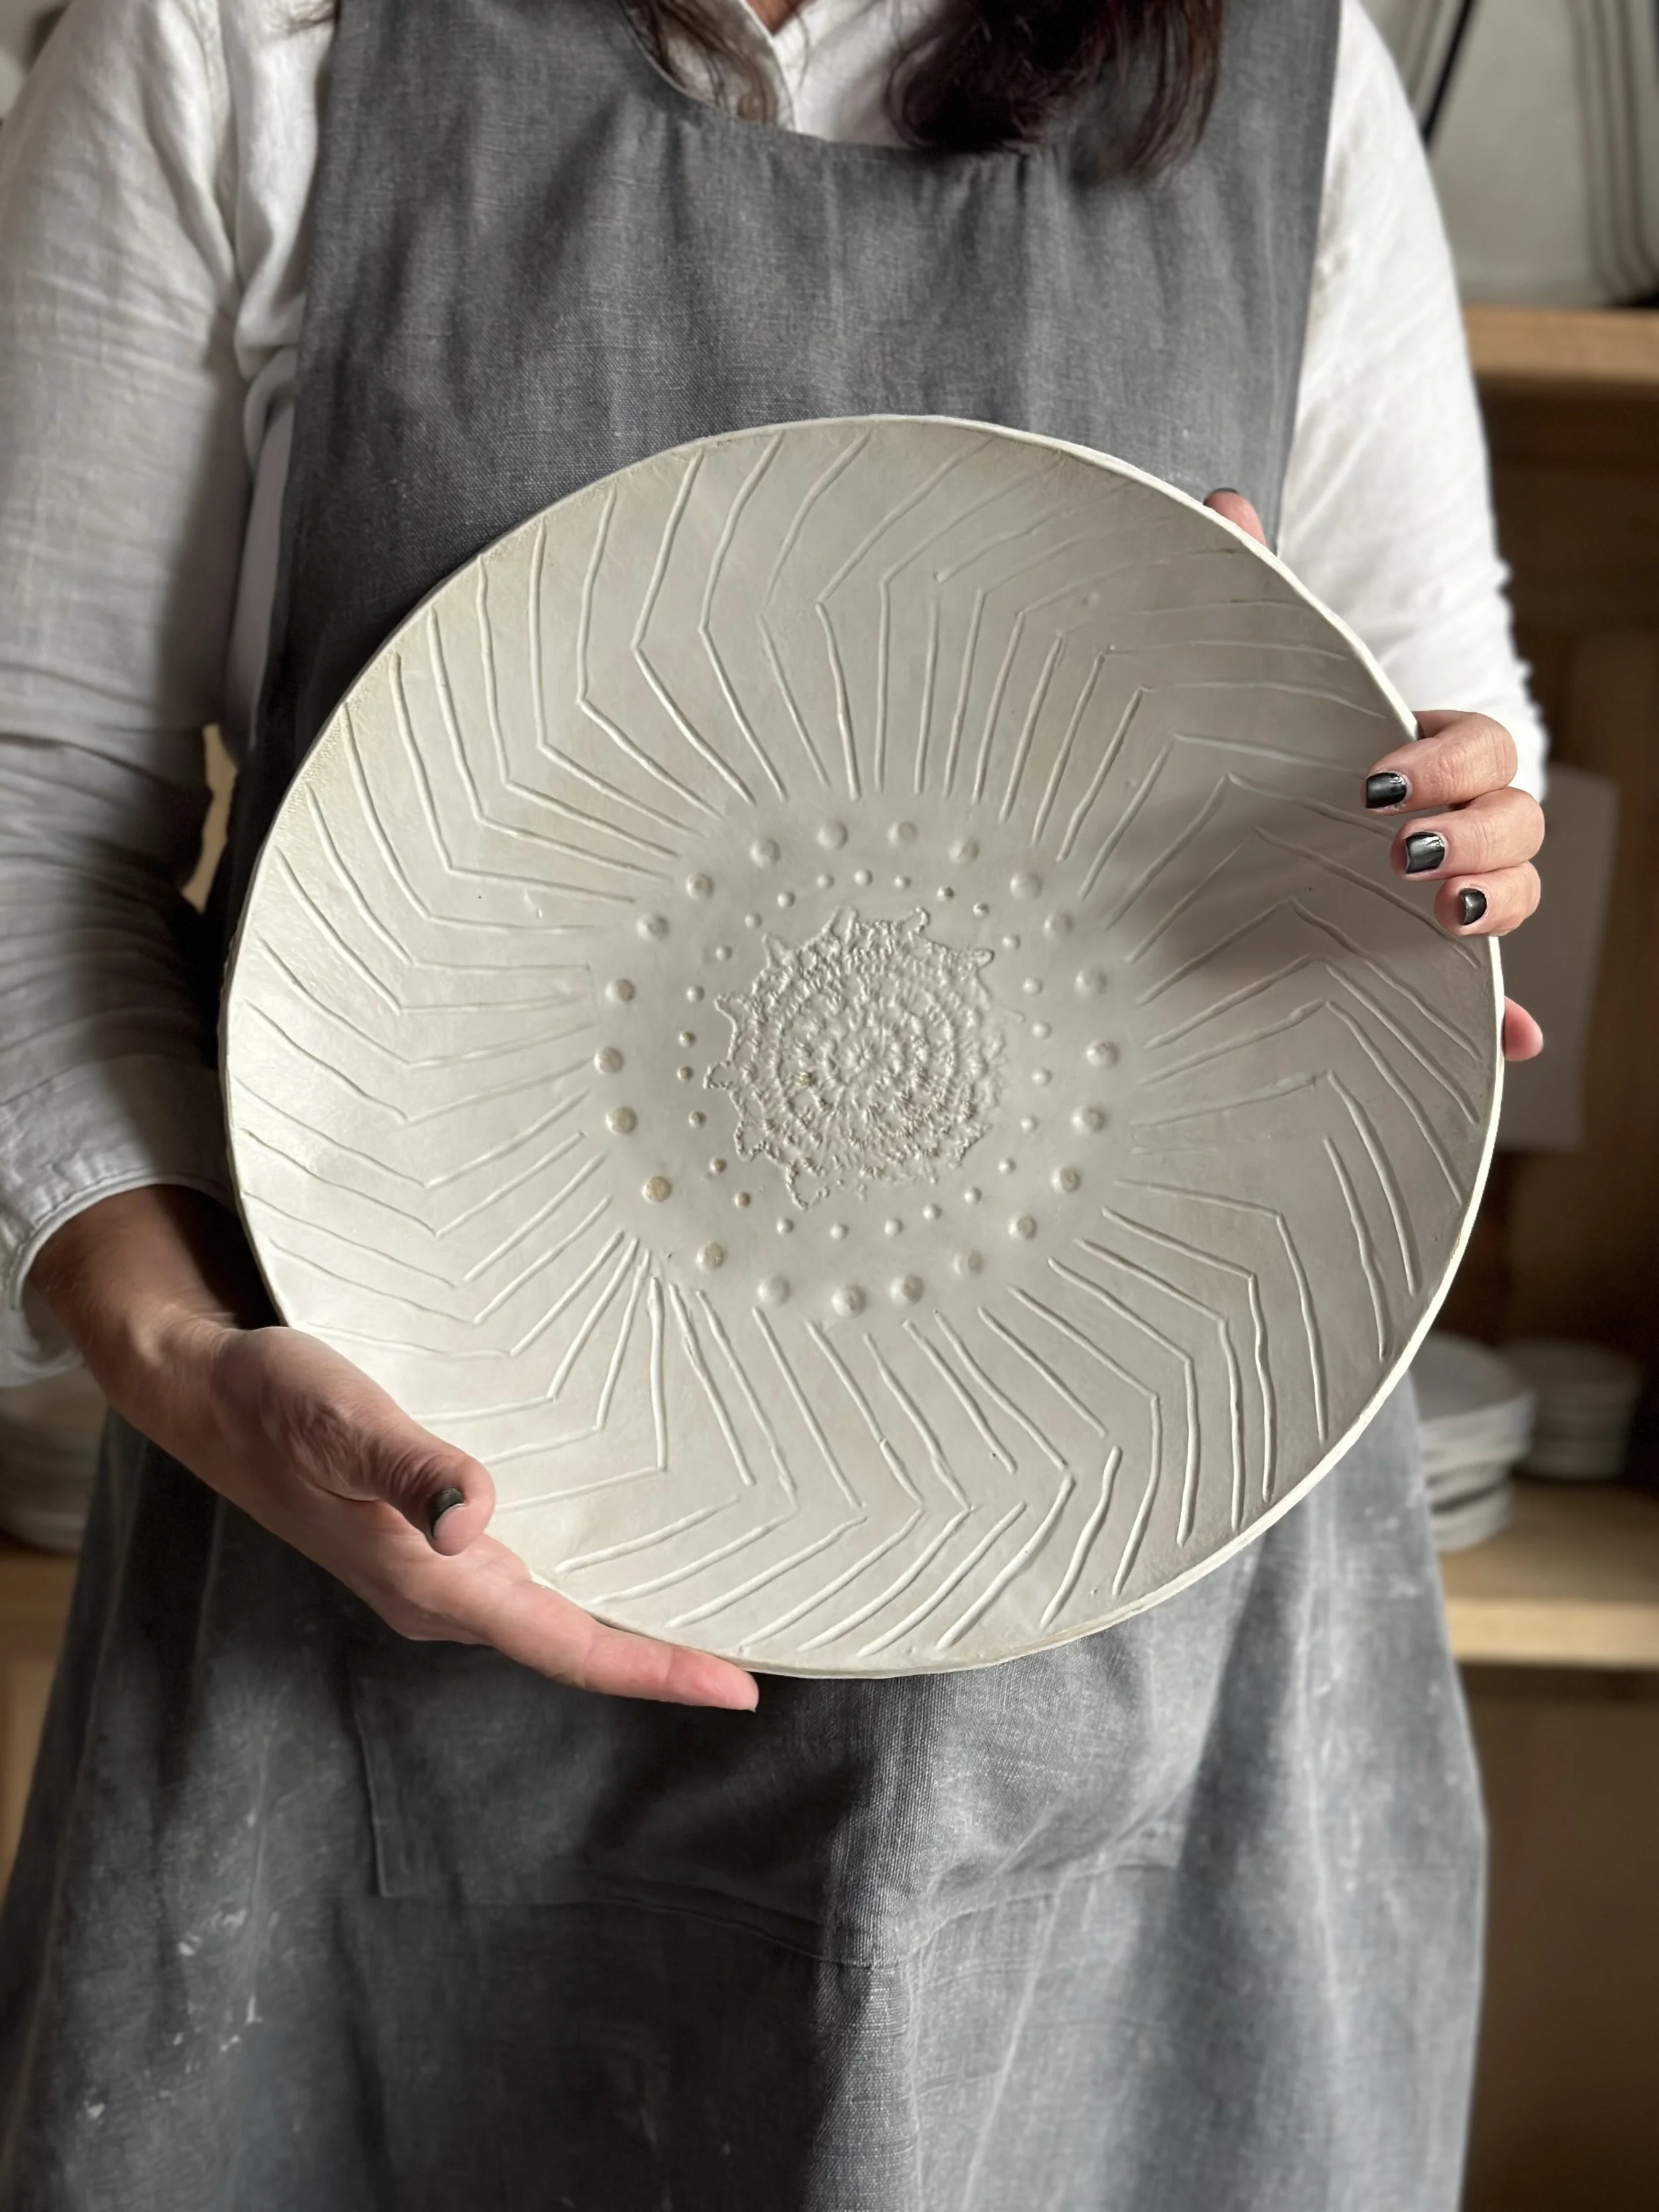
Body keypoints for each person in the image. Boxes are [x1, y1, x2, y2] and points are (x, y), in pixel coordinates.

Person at [0, 0, 1546, 2203]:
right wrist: (179, 1359)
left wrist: (1444, 841)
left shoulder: (1295, 71)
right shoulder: (237, 39)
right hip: (387, 1565)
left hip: (1151, 1592)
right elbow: (37, 799)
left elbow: (1435, 731)